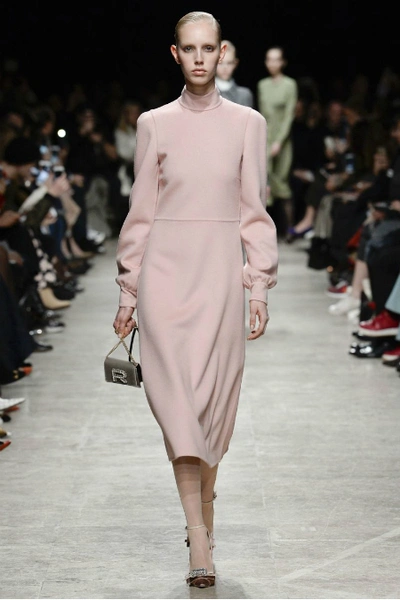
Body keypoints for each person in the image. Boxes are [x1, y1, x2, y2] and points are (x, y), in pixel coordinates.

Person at [113, 11, 278, 589]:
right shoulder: (153, 124)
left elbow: (255, 209)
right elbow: (140, 210)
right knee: (179, 412)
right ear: (176, 54)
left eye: (209, 48)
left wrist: (259, 283)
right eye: (190, 48)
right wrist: (129, 289)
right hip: (165, 280)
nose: (200, 58)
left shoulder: (248, 123)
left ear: (223, 51)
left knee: (212, 415)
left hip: (219, 281)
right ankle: (199, 538)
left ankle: (203, 515)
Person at [256, 46, 297, 236]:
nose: (272, 63)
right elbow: (261, 113)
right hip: (265, 138)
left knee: (281, 183)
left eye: (276, 59)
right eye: (269, 59)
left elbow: (289, 115)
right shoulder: (262, 85)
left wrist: (279, 141)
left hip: (283, 141)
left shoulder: (290, 85)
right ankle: (265, 231)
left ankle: (289, 229)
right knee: (265, 183)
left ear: (283, 62)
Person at [215, 40, 254, 107]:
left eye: (229, 63)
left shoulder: (244, 95)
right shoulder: (203, 94)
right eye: (220, 63)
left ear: (235, 64)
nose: (225, 68)